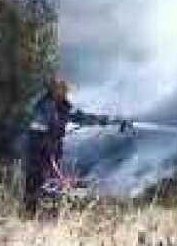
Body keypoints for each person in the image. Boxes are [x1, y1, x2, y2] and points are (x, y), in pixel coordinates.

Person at [21, 77, 122, 217]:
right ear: (53, 90)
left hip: (53, 150)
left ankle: (46, 214)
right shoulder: (42, 107)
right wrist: (46, 144)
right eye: (62, 90)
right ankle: (29, 214)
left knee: (51, 183)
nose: (65, 93)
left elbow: (83, 117)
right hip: (37, 152)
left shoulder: (64, 106)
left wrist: (109, 120)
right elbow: (36, 131)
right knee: (36, 182)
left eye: (65, 90)